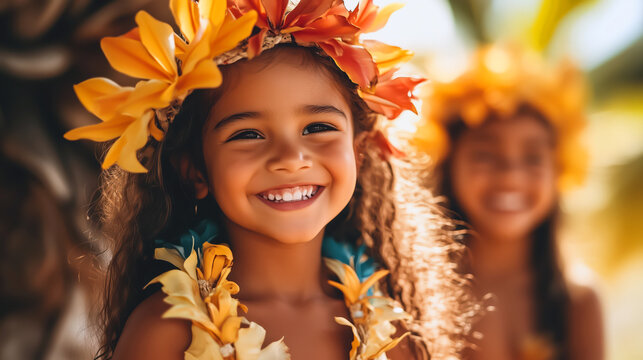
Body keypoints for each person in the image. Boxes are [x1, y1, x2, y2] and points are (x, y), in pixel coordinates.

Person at [64, 0, 476, 359]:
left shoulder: (392, 330)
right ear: (193, 171)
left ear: (358, 150)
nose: (291, 159)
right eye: (247, 134)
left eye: (318, 128)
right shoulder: (168, 332)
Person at [412, 44, 604, 360]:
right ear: (447, 162)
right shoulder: (413, 290)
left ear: (560, 168)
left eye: (532, 157)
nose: (510, 176)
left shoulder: (578, 301)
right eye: (486, 155)